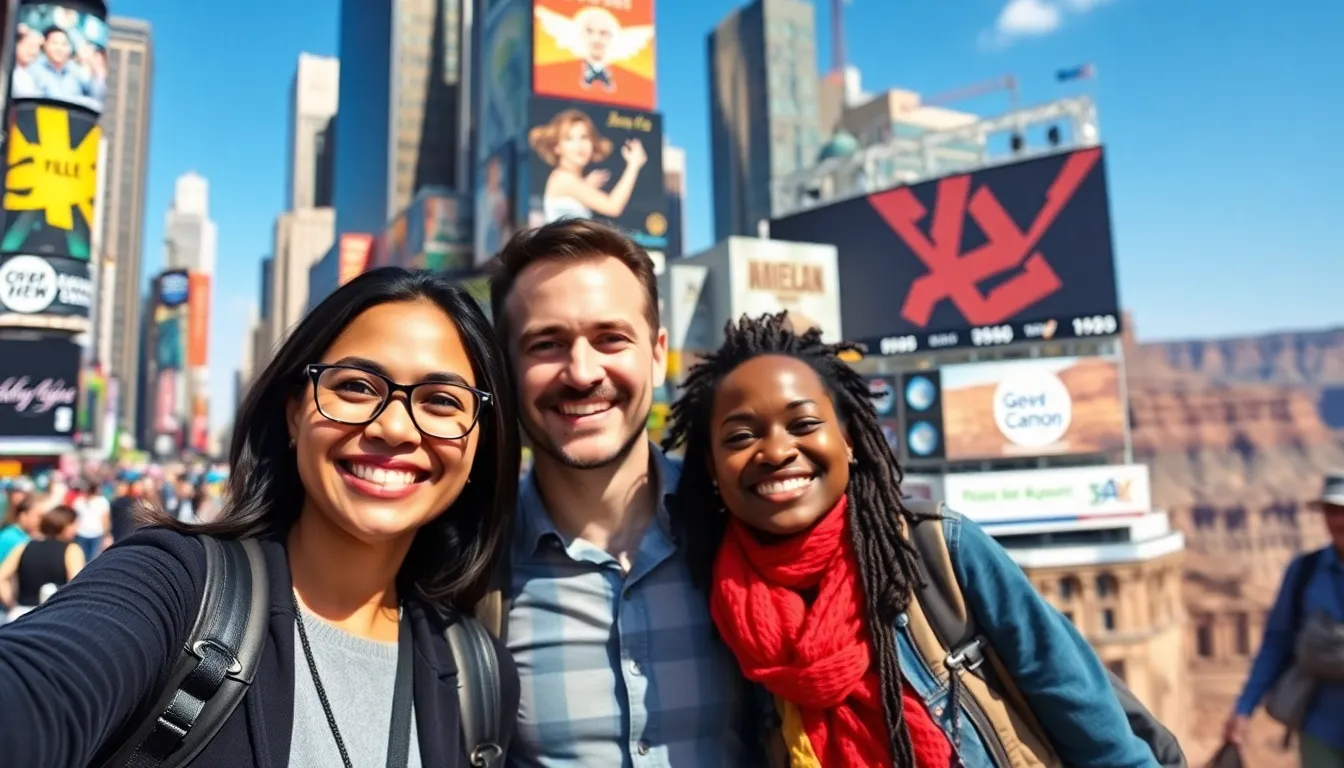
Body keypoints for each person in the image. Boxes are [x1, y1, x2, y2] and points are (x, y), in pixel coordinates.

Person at [0, 268, 522, 767]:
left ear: (480, 440)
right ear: (295, 412)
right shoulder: (175, 586)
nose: (395, 428)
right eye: (358, 387)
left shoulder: (477, 671)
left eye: (440, 400)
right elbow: (40, 687)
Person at [661, 312, 1159, 768]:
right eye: (740, 436)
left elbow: (1093, 727)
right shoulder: (713, 604)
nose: (776, 450)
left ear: (850, 439)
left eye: (804, 424)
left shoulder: (939, 551)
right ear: (710, 466)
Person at [481, 218, 750, 766]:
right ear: (505, 370)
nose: (582, 373)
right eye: (547, 343)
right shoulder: (468, 570)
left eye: (610, 339)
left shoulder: (744, 528)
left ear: (656, 354)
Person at [1224, 474, 1344, 767]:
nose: (1339, 521)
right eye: (1332, 512)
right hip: (1321, 728)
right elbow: (1277, 643)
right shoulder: (1305, 572)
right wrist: (1244, 709)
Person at [528, 108, 647, 223]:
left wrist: (586, 185)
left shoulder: (571, 180)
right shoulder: (563, 178)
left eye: (584, 137)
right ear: (557, 147)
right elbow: (613, 207)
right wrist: (633, 165)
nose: (578, 146)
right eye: (569, 139)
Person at [1, 506, 85, 620]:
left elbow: (1, 577)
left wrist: (12, 605)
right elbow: (76, 585)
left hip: (21, 614)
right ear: (64, 525)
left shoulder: (24, 546)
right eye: (74, 524)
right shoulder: (72, 550)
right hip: (54, 615)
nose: (77, 529)